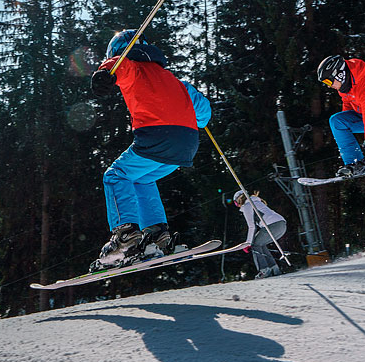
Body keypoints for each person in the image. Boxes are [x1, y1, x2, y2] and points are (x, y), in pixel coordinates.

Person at [90, 29, 211, 271]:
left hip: (157, 136)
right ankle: (158, 235)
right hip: (187, 144)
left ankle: (125, 238)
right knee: (141, 179)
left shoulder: (133, 68)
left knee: (115, 176)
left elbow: (120, 66)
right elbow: (204, 113)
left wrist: (104, 73)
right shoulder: (176, 82)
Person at [233, 190, 286, 279]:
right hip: (282, 224)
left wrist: (248, 243)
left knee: (255, 245)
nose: (237, 206)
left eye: (235, 203)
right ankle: (274, 269)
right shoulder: (256, 201)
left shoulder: (247, 205)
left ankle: (264, 270)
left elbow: (251, 226)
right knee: (260, 244)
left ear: (239, 200)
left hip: (272, 225)